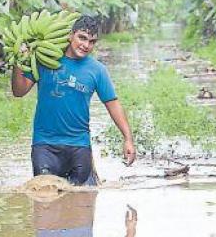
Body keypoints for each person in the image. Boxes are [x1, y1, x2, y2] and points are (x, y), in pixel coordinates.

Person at [11, 15, 136, 186]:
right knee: (45, 200)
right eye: (82, 38)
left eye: (92, 41)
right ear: (71, 35)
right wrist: (18, 61)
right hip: (44, 145)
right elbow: (19, 91)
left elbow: (112, 104)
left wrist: (128, 138)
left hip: (79, 146)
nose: (86, 45)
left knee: (79, 202)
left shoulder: (97, 70)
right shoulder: (46, 60)